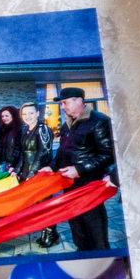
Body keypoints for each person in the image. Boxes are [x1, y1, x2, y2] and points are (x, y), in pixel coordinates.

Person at [48, 86, 115, 250]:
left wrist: (79, 169)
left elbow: (108, 154)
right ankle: (82, 252)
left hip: (89, 184)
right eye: (61, 103)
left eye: (65, 103)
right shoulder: (67, 125)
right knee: (75, 221)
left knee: (93, 222)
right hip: (69, 183)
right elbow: (62, 152)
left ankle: (101, 256)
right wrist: (51, 167)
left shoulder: (99, 121)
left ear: (79, 100)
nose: (62, 107)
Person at [16, 102, 60, 248]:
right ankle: (45, 232)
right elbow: (23, 154)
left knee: (44, 205)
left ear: (37, 114)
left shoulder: (43, 129)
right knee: (37, 206)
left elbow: (44, 153)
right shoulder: (25, 130)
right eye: (24, 114)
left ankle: (50, 233)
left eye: (31, 113)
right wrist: (17, 170)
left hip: (39, 174)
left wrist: (32, 173)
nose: (27, 116)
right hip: (27, 173)